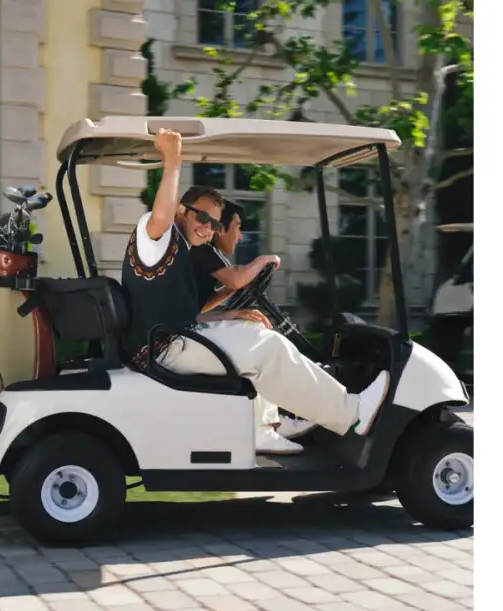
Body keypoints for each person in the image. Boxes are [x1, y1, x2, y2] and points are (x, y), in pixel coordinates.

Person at [120, 129, 391, 450]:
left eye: (215, 224)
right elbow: (161, 216)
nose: (208, 228)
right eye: (202, 217)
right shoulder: (156, 237)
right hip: (164, 350)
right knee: (267, 347)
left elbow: (183, 313)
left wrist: (230, 312)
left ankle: (265, 427)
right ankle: (352, 413)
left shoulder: (179, 249)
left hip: (170, 341)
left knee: (254, 331)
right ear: (181, 209)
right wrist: (173, 159)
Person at [188, 200, 315, 452]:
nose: (240, 236)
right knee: (259, 339)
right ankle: (270, 425)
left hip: (186, 332)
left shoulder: (205, 255)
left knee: (253, 328)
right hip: (183, 338)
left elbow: (197, 307)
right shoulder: (204, 251)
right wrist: (263, 260)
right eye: (237, 227)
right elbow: (236, 279)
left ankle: (273, 420)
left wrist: (231, 306)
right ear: (221, 228)